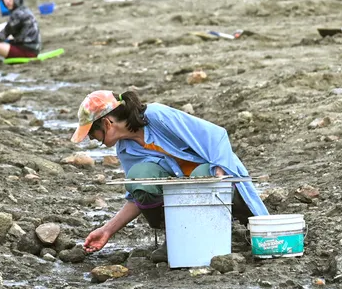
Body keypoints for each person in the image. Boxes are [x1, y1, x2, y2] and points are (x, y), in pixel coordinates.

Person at [72, 90, 269, 253]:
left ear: (107, 123)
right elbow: (137, 195)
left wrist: (218, 173)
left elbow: (217, 137)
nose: (91, 139)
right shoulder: (125, 149)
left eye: (91, 133)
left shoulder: (157, 116)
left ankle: (217, 233)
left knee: (203, 178)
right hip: (181, 201)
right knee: (139, 177)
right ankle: (178, 237)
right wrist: (107, 230)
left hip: (214, 181)